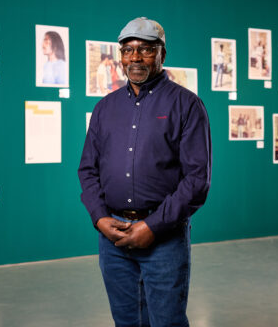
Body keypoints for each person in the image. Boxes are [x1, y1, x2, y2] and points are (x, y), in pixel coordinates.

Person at [79, 17, 212, 327]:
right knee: (126, 321)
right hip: (112, 237)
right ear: (120, 55)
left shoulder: (187, 105)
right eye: (128, 50)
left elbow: (197, 179)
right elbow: (87, 169)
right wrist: (100, 218)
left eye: (145, 49)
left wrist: (152, 226)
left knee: (167, 322)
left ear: (162, 54)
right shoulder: (105, 108)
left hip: (163, 238)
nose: (135, 57)